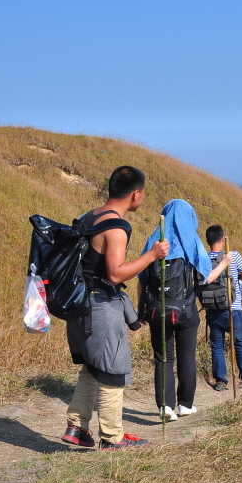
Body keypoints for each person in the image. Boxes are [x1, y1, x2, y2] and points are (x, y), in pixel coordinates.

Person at [61, 166, 169, 451]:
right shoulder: (116, 228)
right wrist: (152, 255)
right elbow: (115, 274)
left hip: (79, 307)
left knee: (92, 368)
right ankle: (112, 437)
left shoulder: (89, 217)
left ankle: (77, 426)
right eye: (143, 193)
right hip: (101, 309)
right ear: (136, 194)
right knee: (112, 372)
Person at [139, 200, 230, 420]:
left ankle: (165, 407)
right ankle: (185, 405)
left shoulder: (154, 240)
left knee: (163, 358)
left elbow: (142, 277)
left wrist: (141, 308)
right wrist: (224, 263)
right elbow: (206, 277)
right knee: (186, 358)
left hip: (157, 310)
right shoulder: (191, 240)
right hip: (185, 311)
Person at [204, 225, 242, 389]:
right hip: (234, 308)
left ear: (208, 241)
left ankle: (220, 380)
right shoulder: (233, 256)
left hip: (212, 309)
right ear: (223, 239)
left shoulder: (204, 259)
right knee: (240, 342)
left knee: (217, 345)